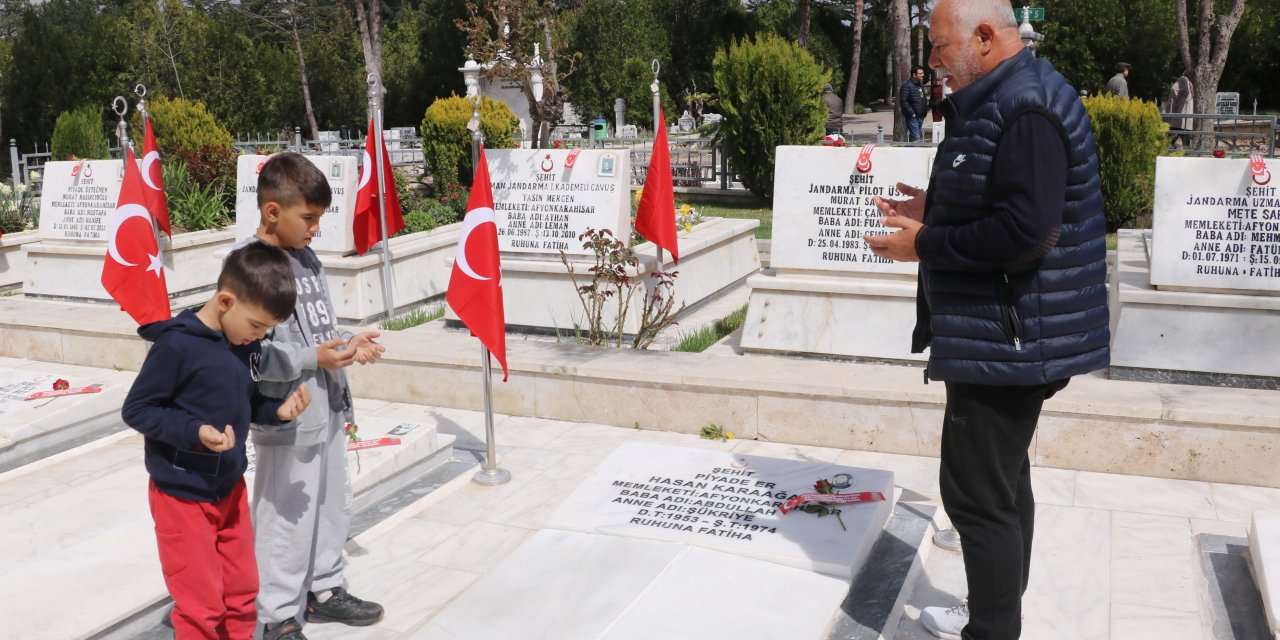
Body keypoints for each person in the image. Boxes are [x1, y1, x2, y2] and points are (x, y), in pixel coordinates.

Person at [863, 0, 1110, 638]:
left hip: (1009, 339)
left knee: (976, 495)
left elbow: (1026, 232)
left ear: (983, 37)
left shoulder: (1024, 107)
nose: (933, 60)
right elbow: (1000, 198)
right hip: (1006, 333)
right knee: (1002, 484)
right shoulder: (1004, 95)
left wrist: (923, 243)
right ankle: (997, 614)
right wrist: (934, 205)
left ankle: (993, 630)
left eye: (941, 45)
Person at [121, 242, 313, 640]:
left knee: (242, 591)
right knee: (201, 603)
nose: (259, 336)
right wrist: (194, 431)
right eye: (257, 326)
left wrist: (276, 411)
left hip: (228, 489)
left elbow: (249, 399)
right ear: (226, 301)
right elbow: (138, 410)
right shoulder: (177, 346)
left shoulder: (244, 343)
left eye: (265, 330)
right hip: (182, 496)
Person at [235, 152, 388, 640]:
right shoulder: (250, 265)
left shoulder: (306, 257)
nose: (316, 229)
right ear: (273, 212)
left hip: (328, 403)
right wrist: (310, 361)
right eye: (309, 218)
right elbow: (249, 349)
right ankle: (277, 613)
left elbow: (316, 326)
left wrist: (347, 343)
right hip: (288, 412)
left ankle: (323, 589)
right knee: (286, 515)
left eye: (320, 219)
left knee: (329, 503)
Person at [900, 64, 930, 141]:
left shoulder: (920, 85)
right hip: (912, 117)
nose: (922, 75)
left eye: (923, 73)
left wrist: (925, 111)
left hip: (921, 116)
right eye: (920, 73)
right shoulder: (907, 86)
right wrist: (911, 113)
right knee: (916, 138)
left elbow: (922, 99)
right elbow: (903, 101)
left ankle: (910, 151)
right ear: (914, 74)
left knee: (914, 138)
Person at [1167, 73, 1195, 148]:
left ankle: (1173, 149)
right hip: (1182, 113)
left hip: (1182, 113)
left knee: (1177, 134)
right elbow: (1174, 89)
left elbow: (1174, 90)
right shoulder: (1183, 79)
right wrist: (1175, 102)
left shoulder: (1185, 80)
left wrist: (1173, 105)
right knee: (1180, 134)